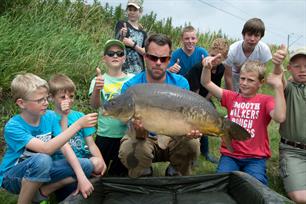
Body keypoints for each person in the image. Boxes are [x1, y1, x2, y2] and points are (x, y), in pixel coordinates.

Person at [0, 73, 98, 204]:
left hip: (42, 170)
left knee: (86, 165)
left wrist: (82, 178)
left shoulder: (50, 116)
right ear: (21, 103)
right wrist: (79, 124)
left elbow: (64, 145)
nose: (46, 103)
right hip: (13, 177)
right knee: (43, 159)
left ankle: (42, 192)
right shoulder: (14, 126)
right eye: (39, 100)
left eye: (46, 98)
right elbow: (46, 149)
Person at [118, 33, 201, 178]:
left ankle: (176, 171)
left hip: (173, 137)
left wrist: (190, 130)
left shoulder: (181, 84)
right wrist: (140, 131)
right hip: (144, 139)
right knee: (128, 150)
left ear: (169, 59)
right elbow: (130, 127)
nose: (158, 62)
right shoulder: (131, 87)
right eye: (153, 57)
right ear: (145, 57)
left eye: (163, 59)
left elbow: (186, 121)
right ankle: (143, 173)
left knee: (192, 143)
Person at [201, 58, 286, 185]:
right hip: (230, 155)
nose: (244, 83)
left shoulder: (266, 100)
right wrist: (206, 68)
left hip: (255, 158)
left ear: (261, 82)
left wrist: (278, 87)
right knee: (221, 184)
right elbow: (206, 82)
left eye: (250, 80)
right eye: (242, 78)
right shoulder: (231, 97)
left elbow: (279, 117)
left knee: (256, 186)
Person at [48, 74, 107, 202]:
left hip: (83, 161)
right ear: (51, 98)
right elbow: (63, 141)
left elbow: (91, 144)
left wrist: (102, 162)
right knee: (72, 193)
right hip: (63, 163)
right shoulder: (49, 118)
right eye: (63, 97)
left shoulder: (79, 115)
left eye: (71, 96)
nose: (68, 100)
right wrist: (64, 116)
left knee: (97, 164)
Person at [89, 39, 134, 176]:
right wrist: (97, 89)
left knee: (120, 174)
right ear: (104, 58)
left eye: (119, 53)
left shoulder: (133, 79)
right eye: (111, 53)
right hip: (105, 134)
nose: (115, 56)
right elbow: (94, 105)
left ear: (124, 59)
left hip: (127, 135)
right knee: (98, 172)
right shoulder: (98, 80)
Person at [185, 38, 229, 164]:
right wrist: (201, 106)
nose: (214, 60)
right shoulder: (198, 68)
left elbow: (213, 88)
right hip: (190, 96)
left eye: (219, 58)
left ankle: (206, 152)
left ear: (224, 58)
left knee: (211, 119)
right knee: (195, 122)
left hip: (205, 98)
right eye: (212, 55)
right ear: (208, 53)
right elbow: (193, 92)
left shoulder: (221, 69)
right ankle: (192, 153)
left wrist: (206, 103)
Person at [272, 46, 306, 204]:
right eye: (297, 66)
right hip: (293, 151)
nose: (302, 70)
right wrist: (278, 64)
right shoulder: (289, 88)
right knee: (300, 198)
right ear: (290, 68)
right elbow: (279, 78)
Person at [224, 18, 272, 92]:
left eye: (256, 36)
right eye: (249, 35)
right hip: (234, 75)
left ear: (260, 37)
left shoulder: (264, 50)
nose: (252, 39)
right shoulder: (232, 50)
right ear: (243, 35)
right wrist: (232, 97)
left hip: (251, 76)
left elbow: (261, 75)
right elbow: (228, 77)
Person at [115, 0, 147, 74]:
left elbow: (145, 52)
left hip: (139, 71)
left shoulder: (143, 33)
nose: (132, 12)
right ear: (127, 11)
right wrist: (122, 35)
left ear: (140, 12)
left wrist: (132, 44)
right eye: (130, 10)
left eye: (135, 10)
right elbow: (118, 42)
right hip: (123, 70)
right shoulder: (121, 24)